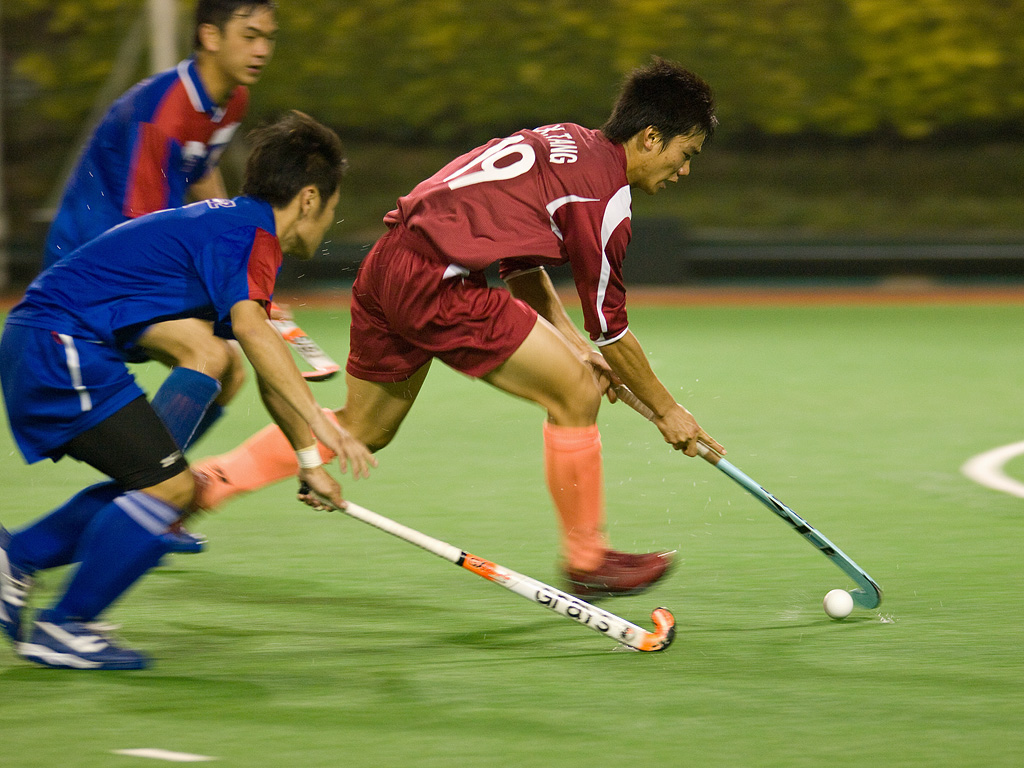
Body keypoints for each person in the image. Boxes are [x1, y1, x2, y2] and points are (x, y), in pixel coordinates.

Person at [191, 57, 725, 598]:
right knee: (577, 392)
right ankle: (588, 560)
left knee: (364, 428)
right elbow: (610, 331)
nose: (683, 171)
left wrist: (570, 344)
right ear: (651, 137)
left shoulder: (567, 140)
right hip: (439, 284)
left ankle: (207, 484)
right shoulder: (603, 198)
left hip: (389, 263)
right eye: (686, 154)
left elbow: (520, 265)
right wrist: (666, 411)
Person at [0, 112, 372, 670]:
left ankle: (19, 557)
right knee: (168, 489)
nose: (328, 224)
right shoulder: (250, 235)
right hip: (59, 346)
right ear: (310, 198)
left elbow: (262, 363)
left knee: (160, 485)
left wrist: (308, 460)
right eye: (332, 209)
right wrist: (320, 422)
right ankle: (65, 627)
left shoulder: (236, 226)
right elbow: (253, 331)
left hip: (54, 343)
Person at [43, 0, 278, 551]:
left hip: (131, 262)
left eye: (269, 37)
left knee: (229, 372)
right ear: (210, 37)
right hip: (88, 269)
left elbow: (202, 175)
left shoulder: (230, 99)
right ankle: (151, 498)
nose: (262, 49)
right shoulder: (164, 112)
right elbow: (142, 227)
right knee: (209, 354)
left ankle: (152, 493)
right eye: (249, 35)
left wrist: (237, 267)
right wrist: (226, 291)